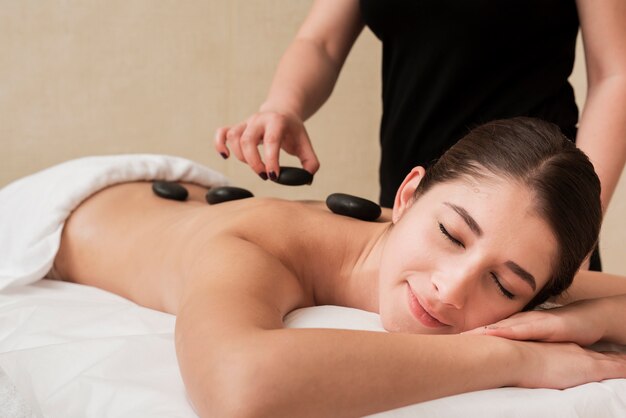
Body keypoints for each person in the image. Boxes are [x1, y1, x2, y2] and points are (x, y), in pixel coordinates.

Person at [52, 118, 626, 417]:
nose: (451, 288)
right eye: (450, 233)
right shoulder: (256, 247)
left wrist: (584, 322)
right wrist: (513, 357)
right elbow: (239, 389)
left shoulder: (493, 250)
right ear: (406, 196)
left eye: (503, 284)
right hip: (69, 207)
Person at [214, 0, 626, 271]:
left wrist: (578, 232)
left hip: (529, 221)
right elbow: (318, 41)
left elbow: (616, 74)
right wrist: (283, 106)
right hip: (412, 208)